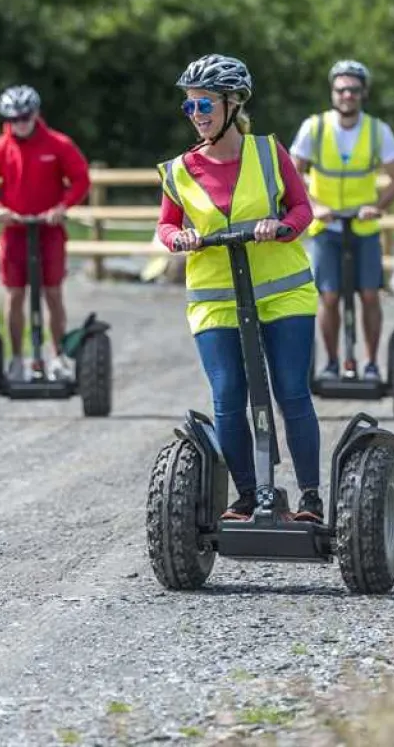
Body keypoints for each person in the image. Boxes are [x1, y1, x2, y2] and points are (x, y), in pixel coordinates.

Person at [154, 54, 323, 523]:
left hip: (282, 291)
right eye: (189, 107)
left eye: (204, 103)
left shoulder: (269, 152)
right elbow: (166, 228)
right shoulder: (179, 171)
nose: (197, 115)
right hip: (214, 299)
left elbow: (302, 210)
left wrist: (282, 227)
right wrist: (179, 237)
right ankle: (249, 496)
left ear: (232, 104)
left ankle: (309, 498)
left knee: (290, 391)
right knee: (228, 395)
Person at [289, 60, 394, 382]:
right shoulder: (314, 128)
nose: (347, 95)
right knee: (329, 296)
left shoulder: (376, 130)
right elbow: (292, 171)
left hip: (363, 225)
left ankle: (370, 364)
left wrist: (378, 206)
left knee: (369, 293)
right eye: (341, 89)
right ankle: (331, 362)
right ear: (333, 92)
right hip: (327, 226)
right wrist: (313, 206)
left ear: (363, 93)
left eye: (354, 90)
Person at [0, 84, 91, 381]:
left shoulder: (58, 144)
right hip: (15, 230)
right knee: (14, 295)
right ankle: (16, 359)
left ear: (35, 113)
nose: (20, 123)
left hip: (48, 229)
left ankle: (58, 357)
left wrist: (63, 206)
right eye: (14, 119)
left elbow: (80, 179)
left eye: (25, 117)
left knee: (52, 293)